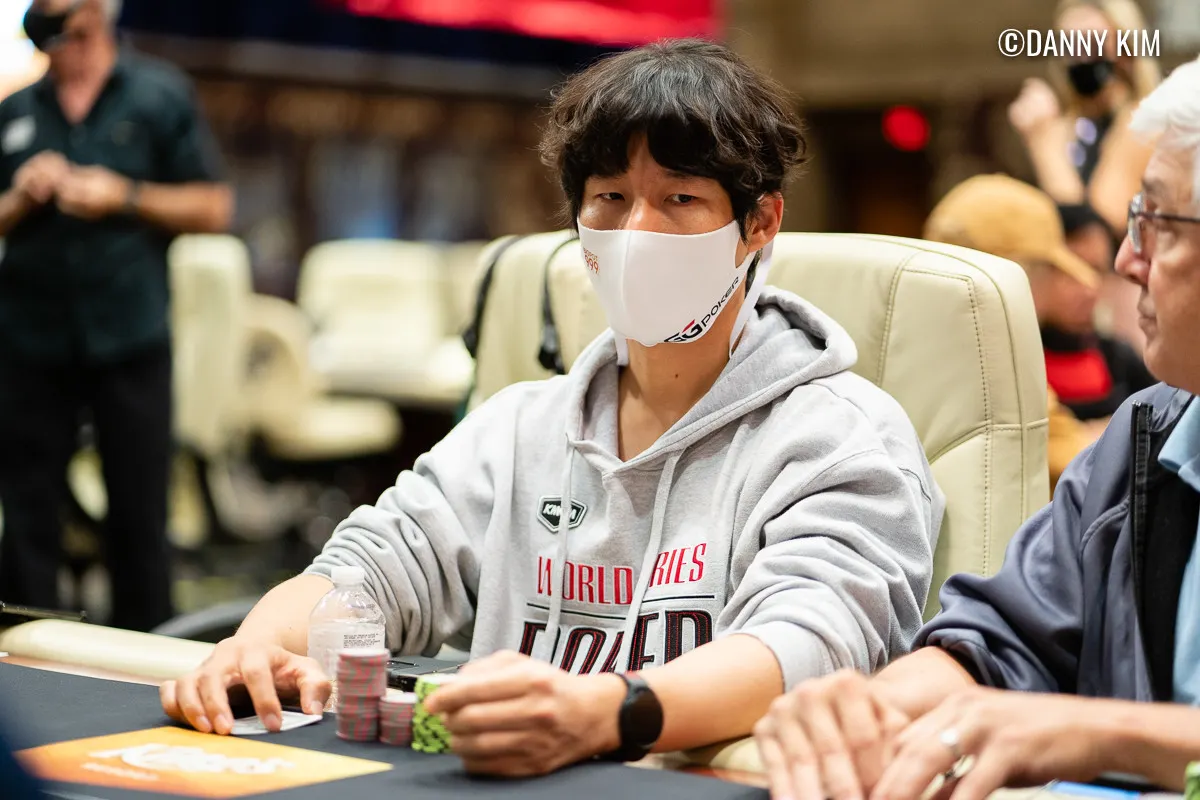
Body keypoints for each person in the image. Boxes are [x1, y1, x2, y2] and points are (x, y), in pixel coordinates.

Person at [161, 39, 943, 777]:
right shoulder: (518, 428)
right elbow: (374, 567)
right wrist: (258, 645)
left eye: (679, 198)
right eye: (610, 198)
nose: (637, 231)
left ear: (759, 224)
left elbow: (808, 643)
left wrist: (604, 714)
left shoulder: (840, 437)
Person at [755, 56, 1200, 800]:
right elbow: (1004, 638)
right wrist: (872, 712)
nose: (1127, 261)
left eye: (1159, 223)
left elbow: (1049, 718)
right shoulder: (1147, 437)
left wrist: (1098, 734)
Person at [0, 0, 232, 631]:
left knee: (139, 514)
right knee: (26, 516)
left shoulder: (158, 94)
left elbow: (213, 207)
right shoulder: (16, 110)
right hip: (29, 339)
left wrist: (122, 195)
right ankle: (26, 655)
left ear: (95, 14)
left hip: (130, 335)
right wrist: (20, 198)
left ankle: (148, 653)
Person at [921, 173, 1110, 488]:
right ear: (1015, 276)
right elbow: (1074, 459)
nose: (1051, 290)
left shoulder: (920, 342)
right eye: (1048, 272)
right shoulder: (993, 363)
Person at [1009, 0, 1160, 359]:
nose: (1080, 55)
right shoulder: (1068, 127)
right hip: (1079, 318)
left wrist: (1043, 143)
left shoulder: (1144, 119)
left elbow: (1094, 229)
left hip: (1129, 309)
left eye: (1092, 42)